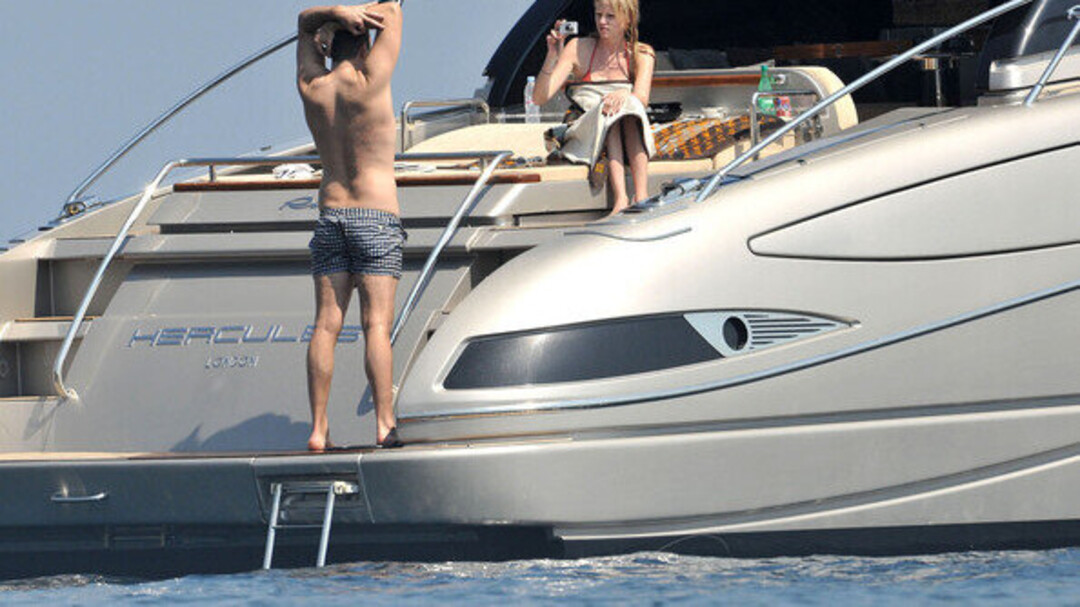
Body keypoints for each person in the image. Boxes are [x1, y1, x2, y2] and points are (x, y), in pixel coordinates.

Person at [297, 2, 404, 451]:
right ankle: (383, 423)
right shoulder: (371, 79)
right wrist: (358, 14)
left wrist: (335, 13)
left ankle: (319, 429)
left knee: (326, 325)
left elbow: (302, 22)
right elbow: (393, 11)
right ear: (364, 47)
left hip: (331, 214)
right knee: (375, 324)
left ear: (327, 46)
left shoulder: (313, 87)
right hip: (375, 215)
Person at [532, 0, 656, 216]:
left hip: (626, 120)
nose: (602, 22)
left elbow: (641, 98)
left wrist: (624, 95)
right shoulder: (578, 48)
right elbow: (539, 98)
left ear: (628, 19)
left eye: (610, 16)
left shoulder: (642, 54)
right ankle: (621, 198)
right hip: (585, 124)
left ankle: (641, 195)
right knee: (610, 111)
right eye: (599, 14)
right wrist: (552, 55)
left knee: (627, 107)